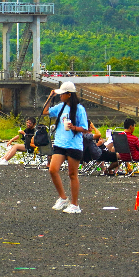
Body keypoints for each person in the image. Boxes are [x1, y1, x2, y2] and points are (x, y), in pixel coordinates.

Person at [44, 81, 88, 214]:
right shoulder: (60, 107)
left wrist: (74, 128)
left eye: (61, 94)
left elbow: (85, 129)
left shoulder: (79, 109)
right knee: (53, 169)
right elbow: (45, 111)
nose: (60, 96)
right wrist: (50, 97)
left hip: (74, 145)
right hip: (60, 143)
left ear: (69, 94)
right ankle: (63, 198)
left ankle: (75, 204)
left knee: (72, 174)